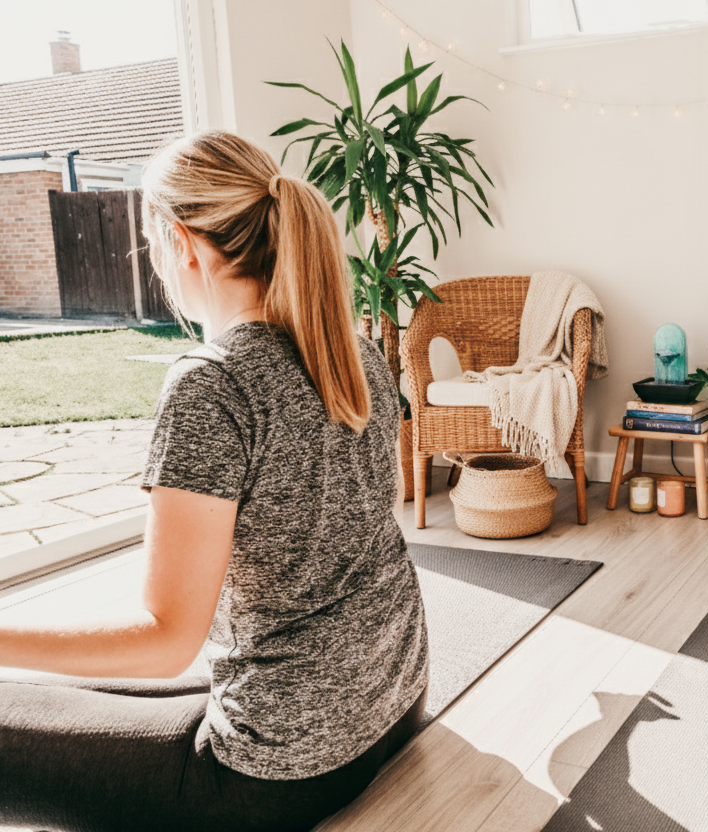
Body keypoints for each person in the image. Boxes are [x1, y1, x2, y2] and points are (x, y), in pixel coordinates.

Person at [0, 131, 428, 831]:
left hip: (277, 772)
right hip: (391, 702)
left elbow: (166, 642)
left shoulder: (215, 383)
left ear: (181, 242)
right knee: (58, 687)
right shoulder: (353, 352)